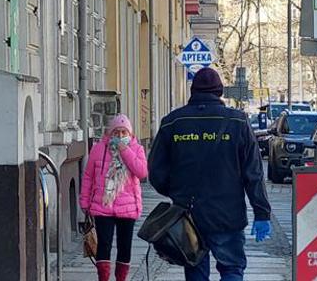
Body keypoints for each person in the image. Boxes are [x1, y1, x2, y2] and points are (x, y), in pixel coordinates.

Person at [149, 67, 272, 281]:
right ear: (220, 91)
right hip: (228, 215)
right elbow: (253, 173)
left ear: (193, 90)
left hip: (187, 214)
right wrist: (261, 213)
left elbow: (156, 171)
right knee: (232, 269)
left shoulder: (173, 122)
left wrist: (176, 192)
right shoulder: (238, 122)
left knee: (195, 270)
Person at [79, 114, 148, 281]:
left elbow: (142, 172)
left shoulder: (136, 149)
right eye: (116, 132)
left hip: (128, 207)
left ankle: (121, 279)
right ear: (110, 133)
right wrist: (84, 200)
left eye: (124, 132)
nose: (120, 136)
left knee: (125, 247)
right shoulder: (98, 149)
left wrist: (125, 150)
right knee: (104, 245)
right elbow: (88, 176)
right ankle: (103, 278)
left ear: (130, 134)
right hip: (103, 205)